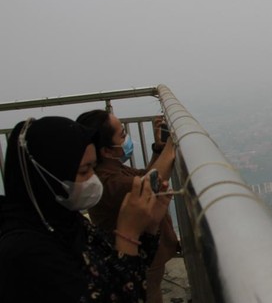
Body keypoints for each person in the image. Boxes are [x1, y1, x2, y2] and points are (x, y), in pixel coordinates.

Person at [0, 116, 172, 302]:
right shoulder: (25, 252)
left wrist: (149, 227)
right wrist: (128, 233)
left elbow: (118, 270)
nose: (93, 178)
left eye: (93, 167)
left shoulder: (65, 222)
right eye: (84, 171)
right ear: (47, 176)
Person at [76, 110, 178, 303]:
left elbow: (146, 175)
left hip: (143, 251)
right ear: (106, 150)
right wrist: (172, 146)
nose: (126, 138)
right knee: (149, 295)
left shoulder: (112, 168)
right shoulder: (108, 181)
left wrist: (159, 148)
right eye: (122, 134)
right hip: (137, 253)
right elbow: (151, 184)